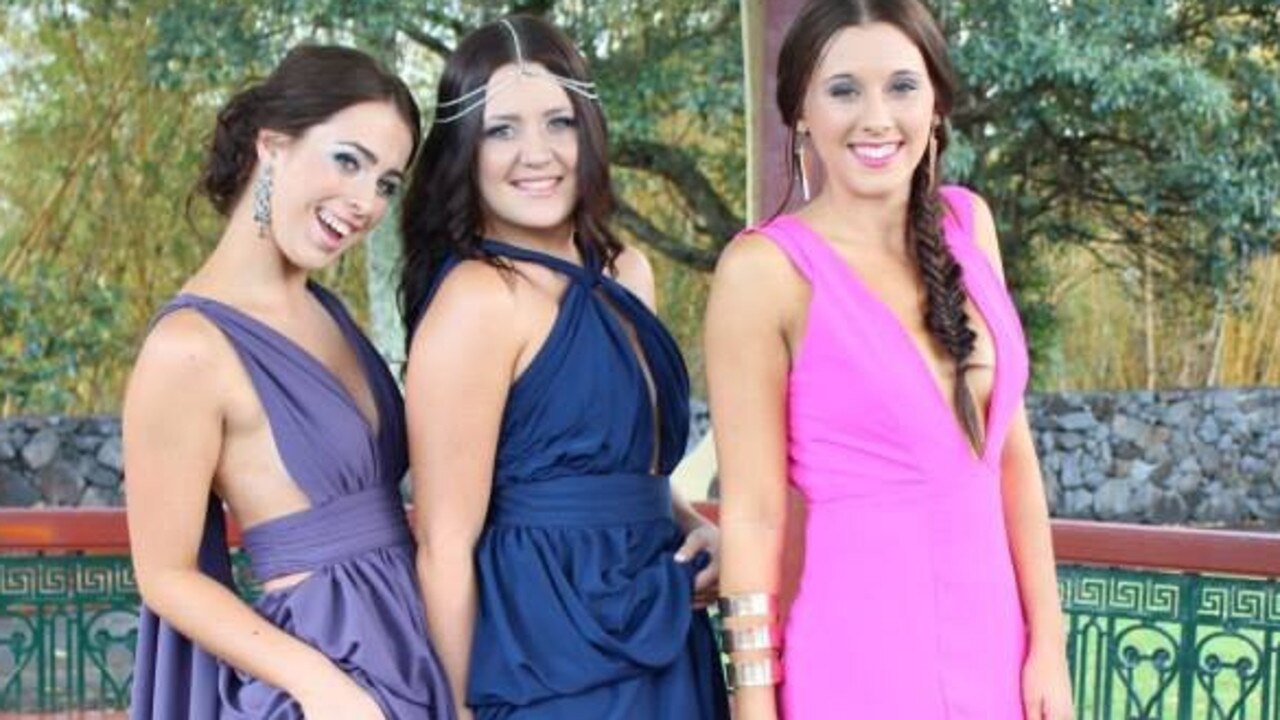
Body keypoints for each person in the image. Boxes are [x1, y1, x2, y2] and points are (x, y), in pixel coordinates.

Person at [705, 1, 1074, 718]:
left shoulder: (971, 224)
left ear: (934, 103)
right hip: (858, 657)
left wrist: (1048, 643)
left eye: (902, 86)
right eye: (844, 89)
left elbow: (1010, 457)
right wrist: (754, 705)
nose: (876, 118)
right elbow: (750, 517)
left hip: (999, 652)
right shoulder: (764, 270)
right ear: (802, 112)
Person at [398, 15, 729, 720]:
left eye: (558, 122)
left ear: (589, 130)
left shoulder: (628, 271)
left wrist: (696, 524)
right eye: (502, 130)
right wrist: (458, 710)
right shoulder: (477, 299)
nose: (536, 153)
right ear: (467, 149)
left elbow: (624, 471)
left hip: (660, 618)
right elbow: (446, 540)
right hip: (546, 648)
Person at [125, 45, 453, 720]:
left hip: (414, 650)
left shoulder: (326, 312)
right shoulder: (186, 348)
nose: (366, 202)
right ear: (271, 145)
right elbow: (165, 576)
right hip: (327, 674)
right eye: (348, 160)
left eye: (387, 183)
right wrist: (323, 688)